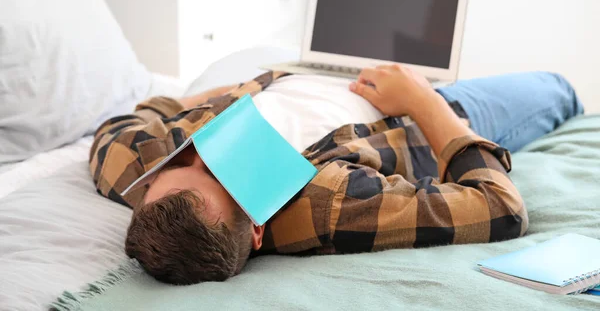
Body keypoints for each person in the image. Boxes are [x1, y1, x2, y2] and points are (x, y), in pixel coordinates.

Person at [89, 66, 583, 285]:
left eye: (187, 161)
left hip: (291, 76)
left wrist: (227, 93)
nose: (204, 152)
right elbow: (501, 209)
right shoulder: (329, 207)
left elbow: (122, 124)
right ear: (257, 229)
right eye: (223, 173)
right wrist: (421, 99)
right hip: (421, 112)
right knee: (557, 88)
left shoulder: (142, 168)